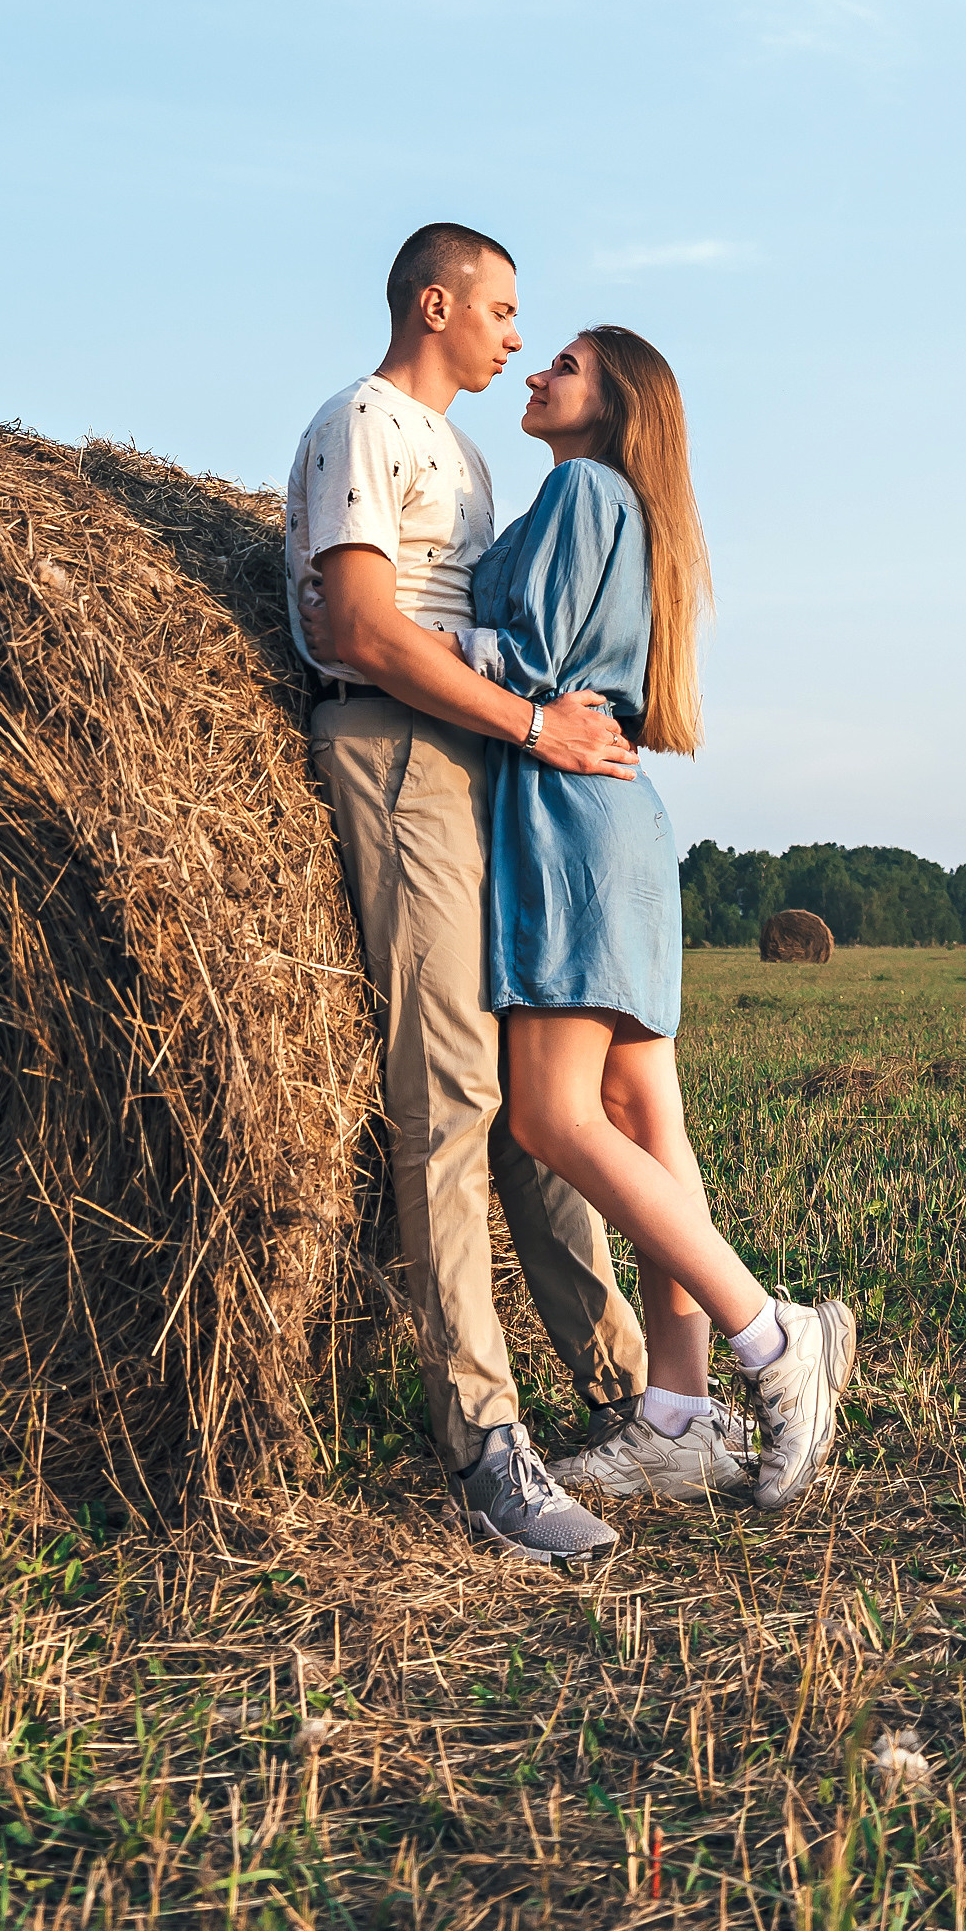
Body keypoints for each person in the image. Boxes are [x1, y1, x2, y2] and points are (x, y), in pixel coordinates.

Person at [287, 226, 651, 1565]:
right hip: (397, 745)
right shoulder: (361, 424)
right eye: (500, 309)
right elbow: (362, 629)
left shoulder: (475, 459)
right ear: (433, 303)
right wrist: (537, 725)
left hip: (482, 755)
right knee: (449, 1089)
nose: (513, 333)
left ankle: (629, 1391)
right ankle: (485, 1446)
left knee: (532, 1100)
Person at [465, 326, 858, 1515]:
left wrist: (387, 632)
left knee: (548, 1113)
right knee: (645, 1121)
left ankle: (770, 1335)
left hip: (568, 821)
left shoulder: (585, 487)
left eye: (564, 364)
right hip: (624, 823)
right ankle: (678, 1415)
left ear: (618, 402)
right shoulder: (618, 507)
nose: (534, 372)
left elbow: (526, 660)